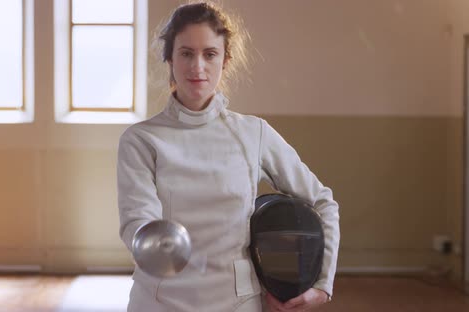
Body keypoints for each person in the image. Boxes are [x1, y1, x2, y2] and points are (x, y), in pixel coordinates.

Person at [117, 2, 340, 311]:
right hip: (158, 302)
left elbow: (322, 201)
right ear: (169, 58)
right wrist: (148, 240)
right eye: (186, 53)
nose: (198, 67)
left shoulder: (253, 133)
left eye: (209, 54)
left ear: (226, 59)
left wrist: (322, 284)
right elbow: (137, 219)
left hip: (237, 303)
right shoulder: (141, 140)